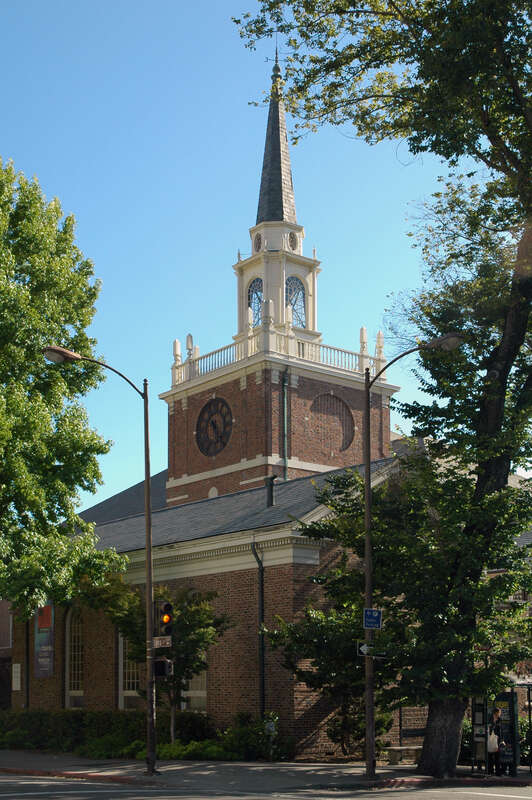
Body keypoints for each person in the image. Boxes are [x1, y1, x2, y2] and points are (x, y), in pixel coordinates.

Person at [487, 707, 504, 776]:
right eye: (498, 713)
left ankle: (497, 771)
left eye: (499, 713)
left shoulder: (500, 720)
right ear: (495, 713)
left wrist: (502, 740)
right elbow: (489, 728)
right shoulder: (490, 719)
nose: (499, 714)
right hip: (491, 739)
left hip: (497, 739)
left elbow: (501, 730)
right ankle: (490, 770)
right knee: (490, 755)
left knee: (497, 756)